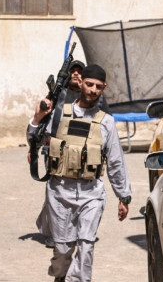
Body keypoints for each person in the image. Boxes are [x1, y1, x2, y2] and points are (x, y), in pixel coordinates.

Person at [27, 64, 131, 282]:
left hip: (91, 192)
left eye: (98, 86)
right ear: (81, 82)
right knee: (63, 250)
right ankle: (60, 276)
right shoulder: (59, 113)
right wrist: (37, 118)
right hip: (59, 191)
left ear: (104, 88)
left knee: (86, 245)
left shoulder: (107, 122)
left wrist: (123, 196)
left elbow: (115, 161)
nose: (93, 90)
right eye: (89, 84)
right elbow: (34, 138)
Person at [36, 60, 110, 248]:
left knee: (85, 191)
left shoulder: (94, 97)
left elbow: (106, 124)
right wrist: (34, 149)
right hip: (56, 148)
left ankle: (80, 230)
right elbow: (42, 122)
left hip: (86, 151)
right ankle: (55, 231)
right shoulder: (58, 94)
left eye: (79, 72)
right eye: (72, 72)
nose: (76, 74)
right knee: (56, 190)